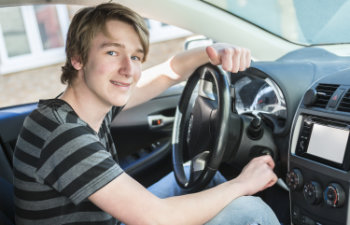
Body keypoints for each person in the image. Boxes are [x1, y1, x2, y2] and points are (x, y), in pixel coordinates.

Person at [13, 2, 279, 225]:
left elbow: (168, 72)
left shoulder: (85, 107)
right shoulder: (62, 133)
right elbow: (156, 218)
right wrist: (243, 184)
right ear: (78, 58)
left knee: (199, 176)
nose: (128, 70)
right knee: (250, 212)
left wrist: (215, 51)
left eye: (136, 57)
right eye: (112, 52)